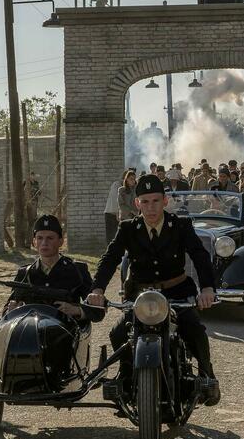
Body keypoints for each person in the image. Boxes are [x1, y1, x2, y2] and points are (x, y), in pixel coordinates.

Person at [88, 174, 220, 406]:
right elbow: (110, 258)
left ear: (165, 201)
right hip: (140, 296)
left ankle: (207, 377)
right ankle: (126, 378)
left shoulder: (180, 225)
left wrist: (207, 288)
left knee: (194, 329)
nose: (150, 207)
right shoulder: (128, 228)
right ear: (137, 203)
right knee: (118, 333)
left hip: (176, 292)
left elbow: (199, 256)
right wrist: (98, 289)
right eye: (145, 202)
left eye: (156, 201)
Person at [4, 214, 104, 324]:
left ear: (61, 241)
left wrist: (76, 310)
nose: (44, 243)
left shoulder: (77, 270)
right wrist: (11, 309)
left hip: (66, 331)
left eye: (50, 238)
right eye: (40, 238)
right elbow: (6, 312)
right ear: (34, 242)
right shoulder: (25, 273)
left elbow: (98, 311)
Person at [24, 171, 42, 239]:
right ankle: (28, 232)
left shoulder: (36, 183)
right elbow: (23, 191)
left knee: (34, 216)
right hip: (28, 201)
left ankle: (34, 230)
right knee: (28, 216)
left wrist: (39, 191)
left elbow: (39, 192)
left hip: (35, 201)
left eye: (34, 175)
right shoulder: (25, 182)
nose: (33, 177)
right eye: (32, 175)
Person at [103, 177, 121, 243]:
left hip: (113, 214)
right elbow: (115, 199)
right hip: (112, 214)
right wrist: (117, 213)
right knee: (112, 237)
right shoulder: (117, 185)